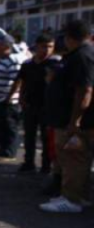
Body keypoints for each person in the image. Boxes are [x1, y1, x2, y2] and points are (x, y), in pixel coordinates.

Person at [40, 20, 94, 213]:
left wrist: (75, 121)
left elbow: (85, 90)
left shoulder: (83, 56)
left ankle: (71, 199)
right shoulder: (77, 55)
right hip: (71, 118)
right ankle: (81, 196)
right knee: (78, 159)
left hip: (75, 121)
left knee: (73, 159)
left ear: (70, 37)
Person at [14, 34, 56, 173]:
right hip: (30, 105)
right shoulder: (28, 64)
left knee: (46, 137)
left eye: (50, 47)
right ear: (36, 46)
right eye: (44, 46)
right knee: (29, 136)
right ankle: (29, 162)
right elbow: (22, 82)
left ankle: (46, 165)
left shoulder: (54, 64)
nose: (47, 50)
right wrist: (21, 98)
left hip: (47, 106)